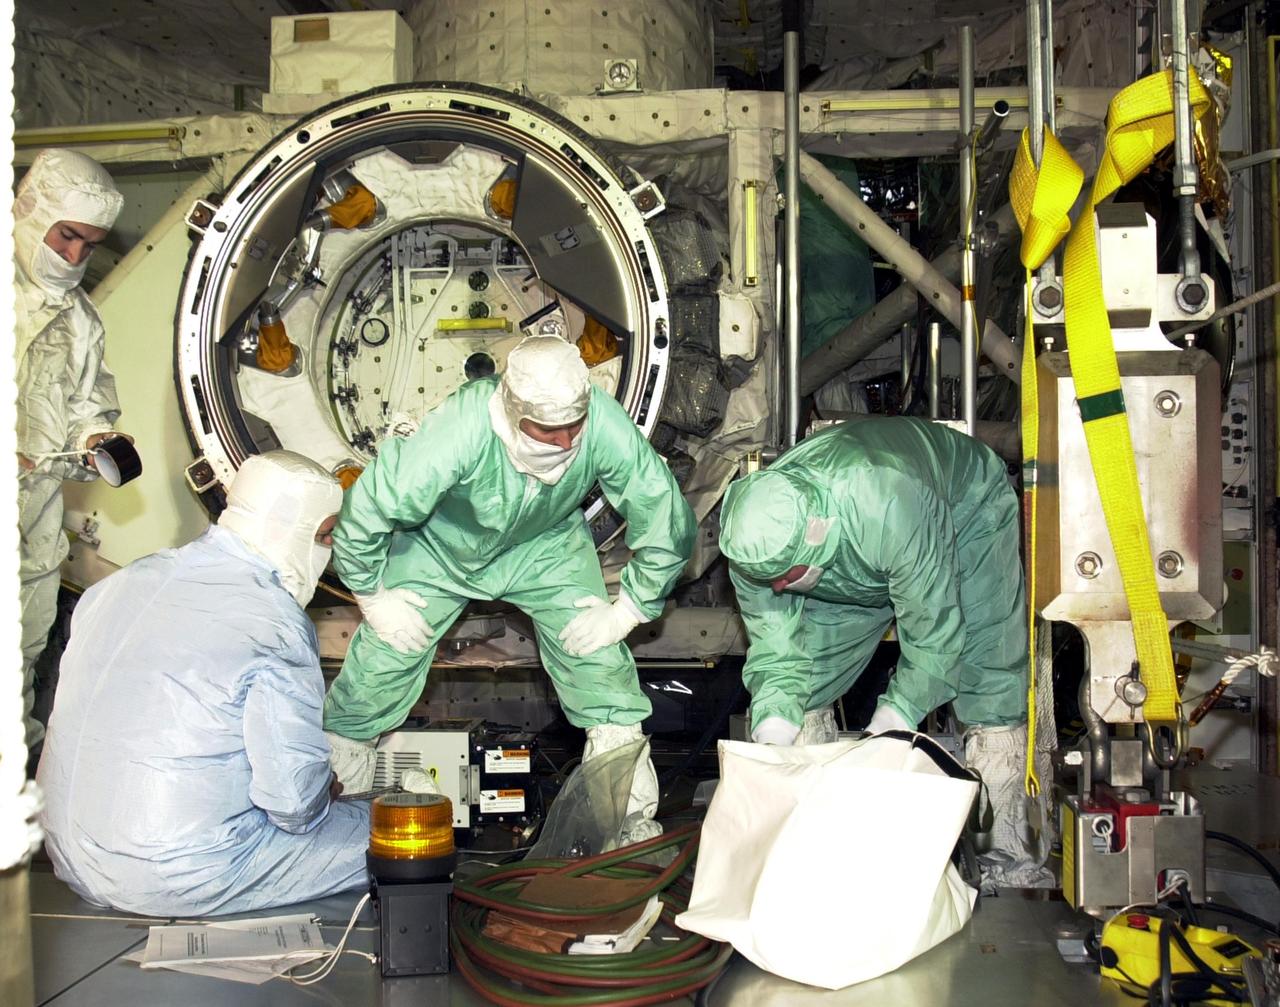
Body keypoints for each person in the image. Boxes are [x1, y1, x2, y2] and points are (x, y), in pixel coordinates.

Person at [323, 335, 696, 845]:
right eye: (548, 429)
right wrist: (372, 596)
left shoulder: (603, 424)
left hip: (546, 546)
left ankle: (625, 834)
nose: (565, 442)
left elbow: (663, 513)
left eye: (574, 426)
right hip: (439, 546)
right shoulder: (458, 431)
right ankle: (337, 819)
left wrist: (629, 608)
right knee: (380, 664)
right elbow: (369, 509)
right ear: (513, 410)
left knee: (601, 667)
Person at [718, 417, 1051, 889]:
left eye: (786, 576)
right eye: (767, 578)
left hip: (962, 512)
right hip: (853, 556)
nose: (776, 588)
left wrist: (886, 733)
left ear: (814, 534)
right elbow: (777, 652)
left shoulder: (889, 501)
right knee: (804, 689)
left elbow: (934, 638)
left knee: (986, 671)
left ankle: (1004, 861)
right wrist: (773, 742)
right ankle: (804, 848)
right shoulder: (755, 546)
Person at [38, 452, 372, 916]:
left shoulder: (118, 584)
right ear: (295, 530)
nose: (330, 545)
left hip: (70, 858)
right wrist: (322, 793)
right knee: (403, 826)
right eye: (325, 533)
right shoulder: (273, 619)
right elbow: (295, 805)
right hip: (179, 873)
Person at [14, 148, 128, 756]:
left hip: (32, 519)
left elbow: (86, 402)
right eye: (67, 236)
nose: (76, 256)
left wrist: (94, 439)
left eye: (90, 244)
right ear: (31, 210)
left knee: (20, 654)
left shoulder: (80, 318)